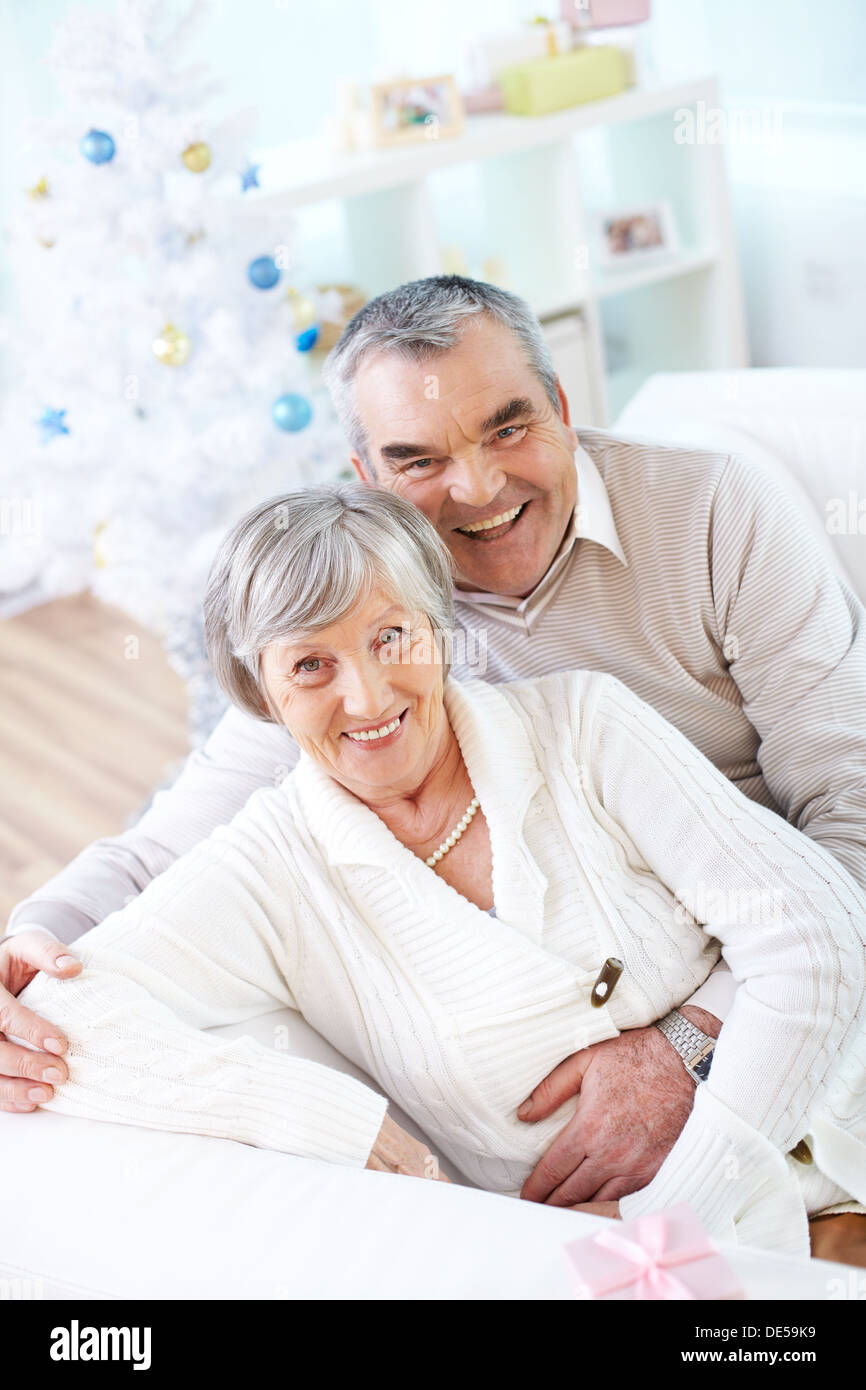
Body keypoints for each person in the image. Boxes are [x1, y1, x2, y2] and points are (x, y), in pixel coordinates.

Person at [4, 277, 866, 1251]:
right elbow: (170, 842)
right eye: (417, 459)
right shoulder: (359, 612)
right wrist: (30, 941)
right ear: (365, 472)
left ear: (562, 407)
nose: (477, 489)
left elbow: (850, 816)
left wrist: (688, 1043)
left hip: (782, 974)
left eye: (506, 429)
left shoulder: (716, 514)